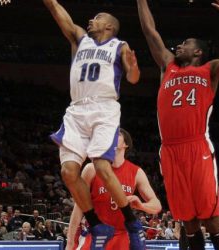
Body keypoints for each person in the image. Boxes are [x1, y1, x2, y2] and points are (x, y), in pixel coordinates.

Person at [137, 0, 219, 249]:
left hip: (197, 146)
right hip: (169, 150)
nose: (178, 46)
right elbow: (149, 31)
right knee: (187, 221)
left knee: (211, 218)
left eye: (185, 44)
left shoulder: (211, 70)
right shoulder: (167, 65)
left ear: (198, 52)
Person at [43, 0, 141, 248]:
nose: (90, 20)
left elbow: (133, 78)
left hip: (104, 107)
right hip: (76, 109)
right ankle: (96, 223)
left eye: (96, 17)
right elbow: (56, 10)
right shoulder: (79, 38)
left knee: (101, 167)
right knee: (68, 172)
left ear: (108, 26)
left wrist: (134, 66)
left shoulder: (119, 46)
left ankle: (132, 224)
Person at [66, 129, 161, 250]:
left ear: (125, 144)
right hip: (96, 235)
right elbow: (79, 207)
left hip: (122, 235)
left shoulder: (136, 172)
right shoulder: (92, 169)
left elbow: (157, 205)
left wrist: (141, 205)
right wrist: (70, 242)